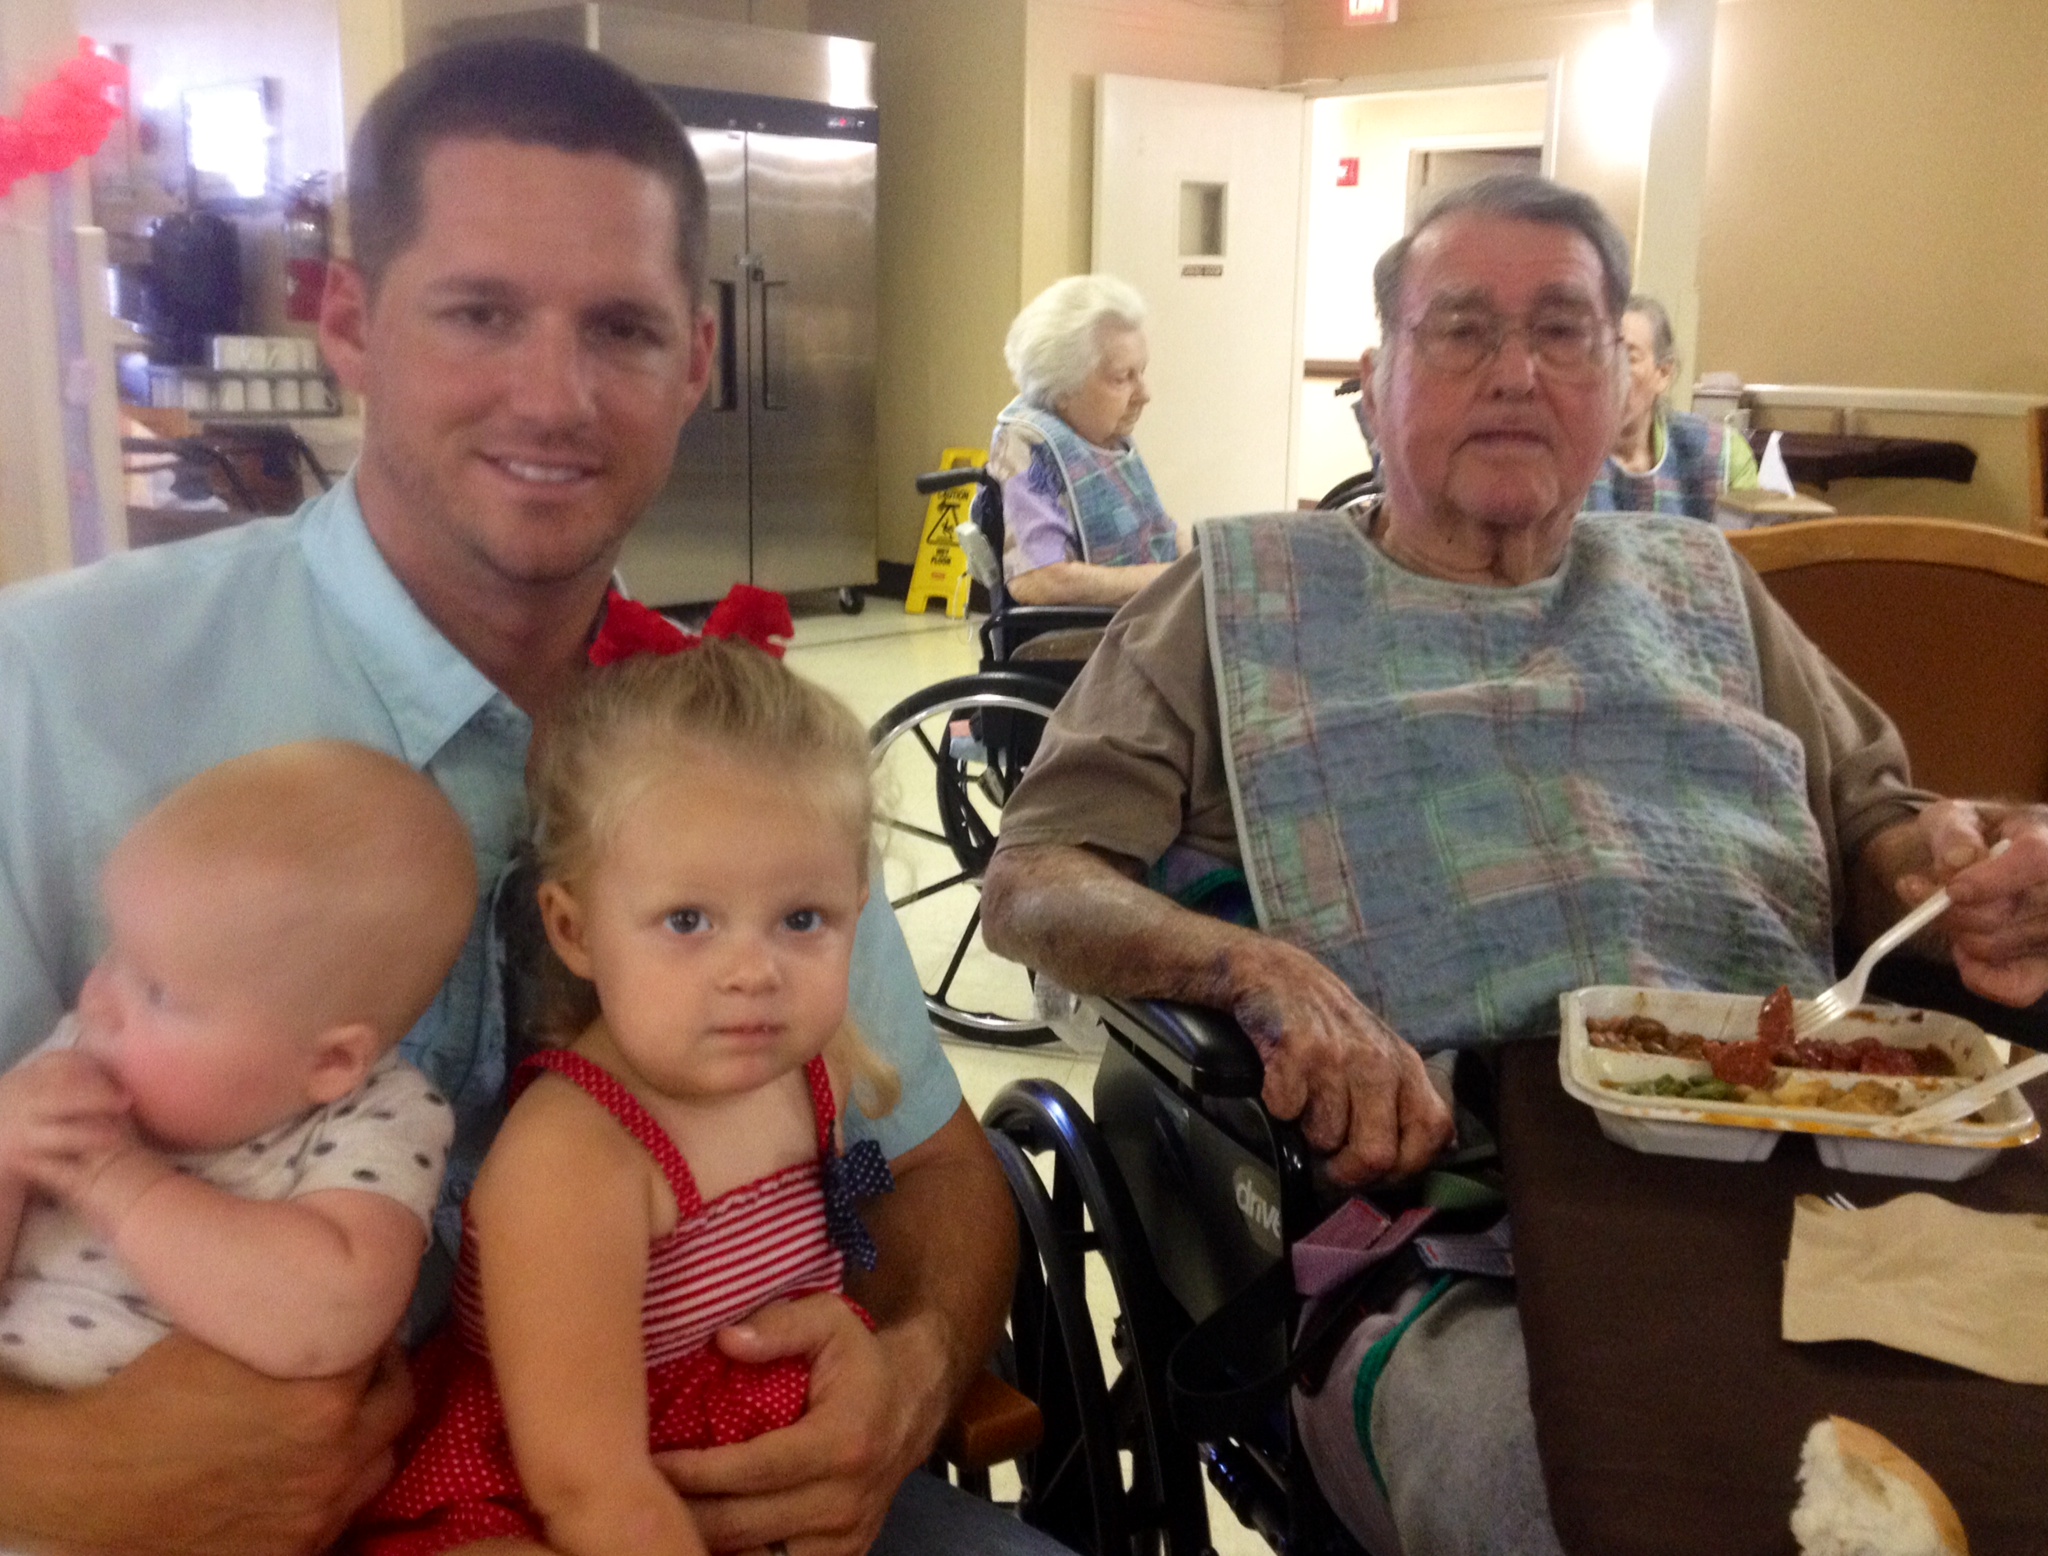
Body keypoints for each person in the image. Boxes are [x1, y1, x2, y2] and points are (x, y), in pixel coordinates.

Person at [0, 38, 1046, 1556]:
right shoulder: (46, 694)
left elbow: (921, 1168)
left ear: (696, 361)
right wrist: (55, 1469)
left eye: (621, 329)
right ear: (348, 323)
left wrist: (910, 1368)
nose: (554, 398)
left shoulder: (731, 752)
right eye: (480, 313)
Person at [980, 173, 2048, 1556]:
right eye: (1461, 330)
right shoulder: (1239, 599)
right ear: (1375, 380)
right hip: (1457, 1223)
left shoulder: (1705, 587)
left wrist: (1956, 873)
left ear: (1620, 380)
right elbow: (1036, 875)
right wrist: (1257, 969)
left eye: (1561, 332)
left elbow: (1873, 825)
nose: (1514, 372)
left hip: (1813, 1186)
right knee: (1587, 1503)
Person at [358, 631, 901, 1555]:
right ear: (574, 930)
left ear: (857, 905)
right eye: (688, 920)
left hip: (737, 1474)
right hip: (540, 1503)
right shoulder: (573, 1163)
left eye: (802, 918)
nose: (753, 972)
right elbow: (587, 1485)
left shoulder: (816, 1070)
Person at [0, 741, 473, 1396]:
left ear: (331, 1062)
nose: (95, 1002)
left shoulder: (378, 1118)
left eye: (157, 991)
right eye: (113, 951)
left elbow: (331, 1319)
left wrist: (120, 1185)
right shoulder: (76, 1063)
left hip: (191, 1453)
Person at [984, 274, 1180, 607]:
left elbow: (1161, 536)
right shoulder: (1029, 444)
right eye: (1123, 378)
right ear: (1063, 388)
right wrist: (1172, 579)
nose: (1144, 394)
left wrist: (1215, 557)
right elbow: (1039, 580)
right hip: (1089, 631)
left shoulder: (1109, 439)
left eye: (1141, 373)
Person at [1580, 292, 1759, 519]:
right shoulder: (1564, 454)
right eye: (1600, 354)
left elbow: (1749, 539)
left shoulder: (1722, 453)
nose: (1609, 371)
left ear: (1663, 373)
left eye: (1628, 357)